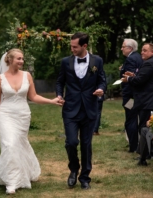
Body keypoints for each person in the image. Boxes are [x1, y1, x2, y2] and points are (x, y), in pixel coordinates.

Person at [0, 48, 62, 194]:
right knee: (9, 144)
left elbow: (33, 97)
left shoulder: (27, 76)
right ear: (9, 60)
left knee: (19, 144)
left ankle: (21, 173)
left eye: (22, 59)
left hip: (22, 114)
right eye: (19, 58)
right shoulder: (0, 79)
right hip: (5, 114)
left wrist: (51, 101)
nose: (22, 61)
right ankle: (11, 182)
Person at [56, 32, 106, 190]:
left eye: (75, 47)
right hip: (70, 108)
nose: (72, 49)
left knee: (86, 144)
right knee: (71, 142)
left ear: (84, 46)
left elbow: (102, 80)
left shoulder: (97, 60)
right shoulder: (66, 62)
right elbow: (60, 82)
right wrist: (59, 94)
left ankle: (85, 177)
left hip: (89, 108)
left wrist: (100, 89)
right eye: (71, 46)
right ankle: (73, 169)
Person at [122, 43, 153, 137]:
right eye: (142, 50)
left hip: (147, 100)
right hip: (151, 98)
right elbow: (146, 78)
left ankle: (146, 150)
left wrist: (128, 79)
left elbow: (139, 81)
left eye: (145, 51)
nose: (142, 53)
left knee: (145, 126)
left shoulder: (149, 63)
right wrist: (134, 76)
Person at [119, 38, 143, 152]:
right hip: (136, 94)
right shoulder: (138, 57)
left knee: (130, 119)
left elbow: (130, 78)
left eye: (123, 47)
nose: (121, 49)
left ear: (130, 48)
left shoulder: (131, 59)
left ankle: (133, 146)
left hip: (131, 96)